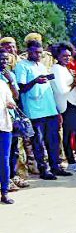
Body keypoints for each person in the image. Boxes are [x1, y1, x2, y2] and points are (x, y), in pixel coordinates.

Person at [15, 40, 69, 180]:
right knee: (38, 142)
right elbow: (21, 88)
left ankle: (55, 167)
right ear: (29, 52)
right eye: (35, 52)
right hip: (35, 111)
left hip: (50, 109)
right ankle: (43, 169)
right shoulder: (22, 66)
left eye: (40, 52)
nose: (38, 55)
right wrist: (35, 81)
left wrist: (56, 110)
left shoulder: (42, 65)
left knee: (53, 140)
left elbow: (49, 88)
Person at [52, 43, 76, 173]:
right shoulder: (56, 69)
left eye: (69, 55)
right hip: (67, 105)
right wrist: (75, 82)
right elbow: (62, 90)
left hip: (73, 104)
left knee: (72, 134)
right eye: (64, 56)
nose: (67, 58)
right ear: (57, 56)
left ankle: (74, 161)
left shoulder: (65, 68)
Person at [0, 50, 28, 191]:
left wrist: (10, 81)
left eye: (6, 60)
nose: (4, 62)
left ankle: (11, 177)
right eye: (1, 59)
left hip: (9, 119)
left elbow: (16, 96)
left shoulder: (9, 75)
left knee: (13, 150)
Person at [1, 76, 18, 204]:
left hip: (4, 127)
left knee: (4, 161)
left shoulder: (2, 84)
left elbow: (12, 101)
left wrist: (11, 104)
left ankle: (5, 192)